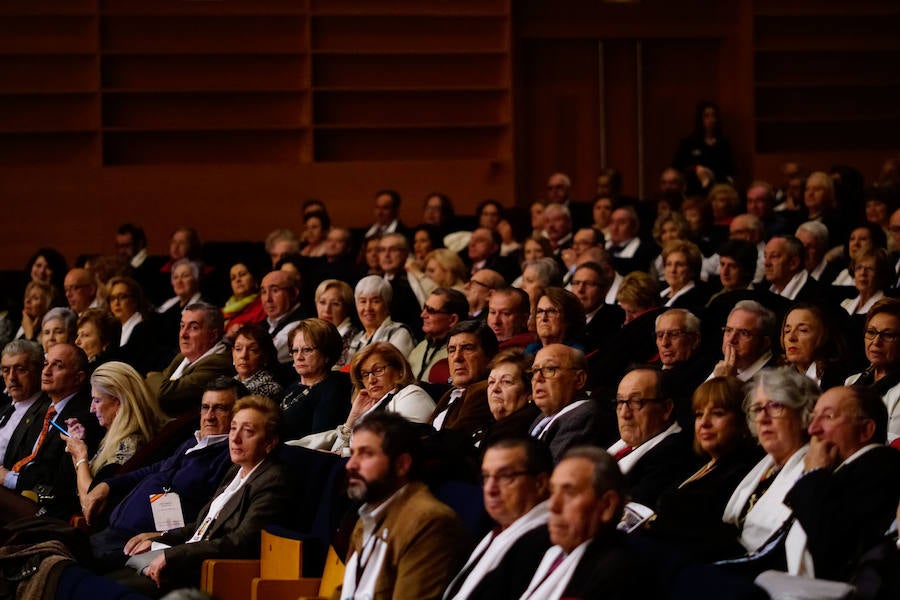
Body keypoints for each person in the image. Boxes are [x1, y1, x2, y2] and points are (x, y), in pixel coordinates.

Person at [108, 395, 289, 596]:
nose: (235, 438)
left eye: (248, 431)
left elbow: (240, 542)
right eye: (233, 428)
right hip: (186, 556)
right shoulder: (236, 470)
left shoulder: (272, 480)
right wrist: (160, 537)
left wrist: (172, 555)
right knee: (106, 574)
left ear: (270, 442)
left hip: (207, 570)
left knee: (113, 589)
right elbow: (203, 525)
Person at [85, 377, 241, 571]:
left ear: (238, 414)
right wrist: (108, 485)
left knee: (62, 563)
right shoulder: (192, 442)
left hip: (143, 544)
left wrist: (164, 535)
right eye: (205, 407)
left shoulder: (230, 456)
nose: (209, 416)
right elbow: (154, 469)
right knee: (53, 547)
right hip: (115, 532)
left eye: (220, 408)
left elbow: (213, 514)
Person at [338, 411, 470, 599]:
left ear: (401, 465)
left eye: (366, 454)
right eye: (352, 454)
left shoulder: (430, 523)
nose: (351, 465)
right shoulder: (366, 517)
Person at [783, 385, 900, 580]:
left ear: (865, 430)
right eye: (814, 417)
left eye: (828, 417)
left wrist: (814, 473)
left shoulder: (882, 469)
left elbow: (836, 547)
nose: (813, 429)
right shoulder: (847, 468)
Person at [648, 377, 761, 560]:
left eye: (717, 413)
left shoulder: (742, 472)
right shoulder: (696, 465)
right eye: (699, 414)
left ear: (743, 421)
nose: (704, 423)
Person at [721, 367, 817, 570]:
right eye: (757, 409)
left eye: (775, 406)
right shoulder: (764, 466)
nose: (763, 418)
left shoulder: (811, 470)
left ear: (803, 412)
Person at [520, 446, 647, 599]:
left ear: (607, 505)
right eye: (553, 491)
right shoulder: (547, 553)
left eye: (569, 492)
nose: (552, 506)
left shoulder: (616, 575)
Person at [0, 343, 102, 519]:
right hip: (21, 495)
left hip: (50, 510)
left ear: (78, 378)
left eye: (58, 366)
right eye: (46, 364)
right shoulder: (44, 411)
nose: (47, 371)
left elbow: (60, 481)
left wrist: (10, 479)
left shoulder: (83, 418)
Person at [443, 437, 553, 600]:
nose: (490, 489)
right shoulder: (498, 531)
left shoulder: (544, 543)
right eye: (486, 477)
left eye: (505, 476)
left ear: (540, 484)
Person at [62, 361, 166, 516]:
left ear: (118, 403)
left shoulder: (129, 444)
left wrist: (80, 456)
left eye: (97, 400)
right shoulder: (117, 437)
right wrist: (77, 450)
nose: (92, 409)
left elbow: (89, 505)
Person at [298, 342, 434, 454]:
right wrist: (352, 419)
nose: (371, 380)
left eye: (378, 370)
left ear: (399, 371)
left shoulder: (412, 394)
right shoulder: (372, 406)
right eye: (365, 374)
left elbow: (395, 448)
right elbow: (336, 449)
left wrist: (343, 454)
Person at [608, 367, 697, 507]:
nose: (624, 413)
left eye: (636, 402)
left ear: (666, 409)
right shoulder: (628, 444)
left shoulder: (672, 455)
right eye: (620, 402)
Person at [146, 303, 233, 417]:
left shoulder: (217, 364)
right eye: (182, 326)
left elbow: (163, 393)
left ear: (213, 336)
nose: (183, 334)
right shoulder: (183, 357)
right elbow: (155, 387)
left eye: (194, 327)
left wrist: (153, 376)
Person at [529, 344, 612, 461]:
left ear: (579, 379)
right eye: (535, 370)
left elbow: (554, 473)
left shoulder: (583, 417)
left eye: (550, 369)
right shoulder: (543, 417)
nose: (537, 378)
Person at [279, 318, 352, 439]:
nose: (299, 357)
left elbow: (319, 439)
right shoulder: (292, 386)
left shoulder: (334, 389)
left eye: (307, 350)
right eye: (295, 351)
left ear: (327, 354)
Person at [430, 320, 497, 439]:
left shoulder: (485, 391)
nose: (457, 357)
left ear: (489, 357)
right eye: (452, 350)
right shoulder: (450, 393)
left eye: (467, 348)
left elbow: (452, 439)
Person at [845, 297, 900, 442]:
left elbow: (893, 444)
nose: (876, 342)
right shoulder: (852, 381)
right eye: (871, 332)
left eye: (887, 335)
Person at [0, 340, 51, 475]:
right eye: (6, 370)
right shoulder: (4, 409)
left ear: (38, 371)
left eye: (20, 369)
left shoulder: (46, 413)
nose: (12, 377)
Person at [474, 349, 541, 446]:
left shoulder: (518, 433)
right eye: (491, 382)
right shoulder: (483, 423)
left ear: (529, 392)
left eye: (506, 381)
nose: (495, 389)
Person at [347, 275, 416, 361]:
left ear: (387, 305)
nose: (368, 308)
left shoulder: (398, 333)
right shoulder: (357, 339)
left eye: (375, 301)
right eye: (363, 301)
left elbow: (393, 370)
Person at [781, 304, 847, 390]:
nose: (791, 337)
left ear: (824, 336)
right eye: (787, 331)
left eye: (803, 330)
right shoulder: (779, 377)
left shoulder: (838, 381)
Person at [408, 288, 468, 383]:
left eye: (431, 310)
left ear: (452, 320)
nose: (423, 315)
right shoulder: (420, 347)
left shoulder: (459, 355)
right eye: (424, 307)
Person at [709, 300, 777, 381]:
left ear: (764, 343)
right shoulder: (711, 362)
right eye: (728, 330)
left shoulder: (773, 379)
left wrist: (723, 382)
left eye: (743, 333)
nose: (731, 340)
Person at [106, 276, 157, 375]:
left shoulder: (144, 328)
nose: (116, 302)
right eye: (112, 298)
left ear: (135, 300)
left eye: (122, 297)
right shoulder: (114, 329)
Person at [259, 269, 304, 367]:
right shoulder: (264, 324)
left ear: (293, 293)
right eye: (263, 292)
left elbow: (260, 359)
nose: (267, 299)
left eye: (275, 290)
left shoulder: (301, 326)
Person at [313, 279, 358, 370]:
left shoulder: (354, 338)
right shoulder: (314, 335)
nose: (326, 310)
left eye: (335, 304)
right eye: (322, 302)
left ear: (347, 307)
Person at [527, 287, 586, 354]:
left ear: (568, 318)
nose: (543, 318)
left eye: (551, 311)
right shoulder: (531, 350)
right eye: (540, 311)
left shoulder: (574, 353)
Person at [231, 324, 283, 400]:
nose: (243, 355)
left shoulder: (270, 389)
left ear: (265, 356)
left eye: (253, 350)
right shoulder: (231, 382)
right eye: (238, 349)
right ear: (233, 353)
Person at [659, 239, 707, 315]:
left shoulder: (694, 299)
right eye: (669, 264)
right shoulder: (660, 292)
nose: (672, 270)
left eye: (679, 265)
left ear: (692, 270)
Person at [222, 262, 266, 339]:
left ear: (254, 279)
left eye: (242, 275)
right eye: (233, 278)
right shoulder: (224, 311)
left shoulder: (263, 304)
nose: (238, 280)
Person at [841, 248, 892, 316]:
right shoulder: (846, 304)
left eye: (870, 268)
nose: (862, 273)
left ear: (881, 274)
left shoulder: (885, 307)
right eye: (859, 267)